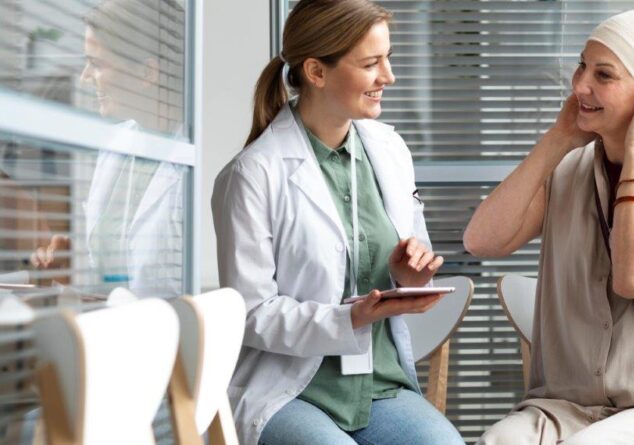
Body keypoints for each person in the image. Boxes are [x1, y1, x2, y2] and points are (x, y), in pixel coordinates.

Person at [464, 10, 634, 445]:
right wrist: (557, 139)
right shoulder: (569, 167)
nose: (580, 86)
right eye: (582, 66)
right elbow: (482, 240)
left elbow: (633, 275)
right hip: (563, 406)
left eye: (603, 75)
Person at [211, 1, 464, 444]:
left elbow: (411, 254)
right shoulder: (253, 174)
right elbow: (251, 313)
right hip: (292, 389)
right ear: (316, 71)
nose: (389, 76)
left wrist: (410, 275)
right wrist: (348, 319)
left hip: (379, 385)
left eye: (388, 59)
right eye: (371, 64)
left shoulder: (390, 151)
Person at [30, 0, 186, 298]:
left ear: (147, 73)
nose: (85, 76)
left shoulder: (194, 162)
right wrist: (71, 266)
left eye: (97, 64)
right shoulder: (116, 146)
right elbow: (113, 273)